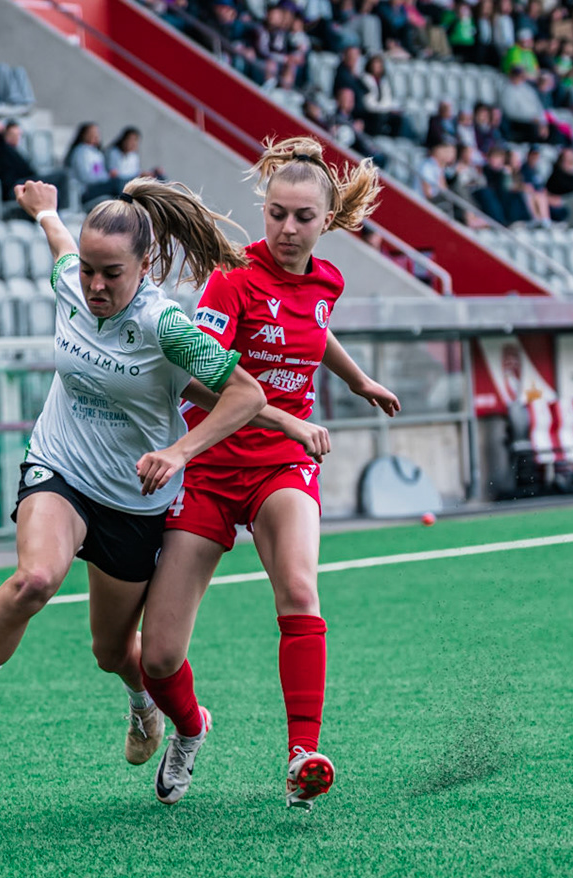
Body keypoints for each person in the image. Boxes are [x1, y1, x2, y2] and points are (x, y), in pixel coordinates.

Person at [0, 179, 268, 757]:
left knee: (112, 651)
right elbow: (61, 244)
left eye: (111, 273)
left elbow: (246, 396)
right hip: (60, 465)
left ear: (144, 265)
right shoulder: (70, 280)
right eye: (89, 268)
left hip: (131, 499)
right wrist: (44, 210)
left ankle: (145, 707)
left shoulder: (167, 326)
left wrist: (179, 451)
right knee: (35, 579)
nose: (94, 284)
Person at [139, 137, 400, 810]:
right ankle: (191, 728)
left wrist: (359, 378)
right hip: (207, 469)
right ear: (265, 210)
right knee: (158, 658)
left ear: (327, 219)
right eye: (277, 214)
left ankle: (302, 755)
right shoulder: (230, 282)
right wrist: (239, 426)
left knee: (299, 587)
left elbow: (314, 327)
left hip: (283, 467)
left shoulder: (328, 281)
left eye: (303, 218)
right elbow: (198, 384)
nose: (288, 229)